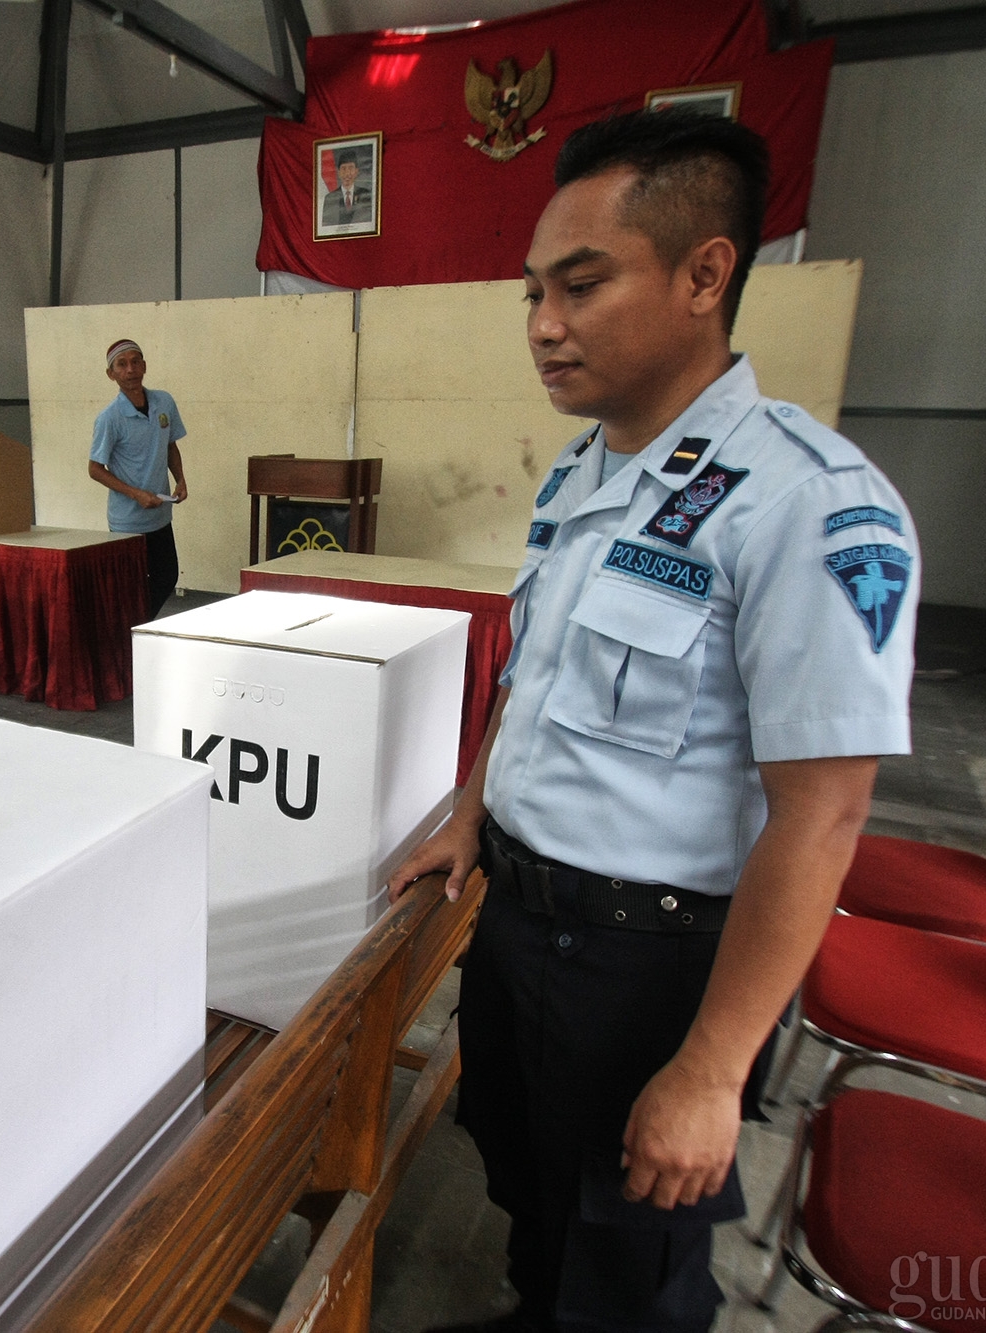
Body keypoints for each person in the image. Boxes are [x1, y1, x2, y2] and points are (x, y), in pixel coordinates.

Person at [389, 107, 917, 1333]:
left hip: (654, 966)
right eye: (529, 293)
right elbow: (530, 678)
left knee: (629, 1266)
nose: (543, 326)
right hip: (520, 918)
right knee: (531, 1192)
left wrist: (712, 1067)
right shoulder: (586, 471)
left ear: (701, 274)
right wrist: (472, 818)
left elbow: (824, 812)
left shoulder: (807, 504)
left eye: (580, 285)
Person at [88, 339, 188, 620]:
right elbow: (95, 469)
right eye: (122, 364)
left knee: (166, 577)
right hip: (127, 522)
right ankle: (130, 635)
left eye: (136, 361)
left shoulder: (163, 402)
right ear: (112, 374)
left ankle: (137, 628)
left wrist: (180, 480)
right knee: (129, 587)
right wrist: (136, 494)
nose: (131, 369)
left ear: (144, 365)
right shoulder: (109, 418)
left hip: (160, 516)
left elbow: (170, 446)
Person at [321, 148, 372, 228]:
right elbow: (326, 226)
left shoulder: (365, 194)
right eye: (343, 168)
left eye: (351, 168)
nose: (347, 173)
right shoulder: (330, 198)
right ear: (338, 172)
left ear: (356, 171)